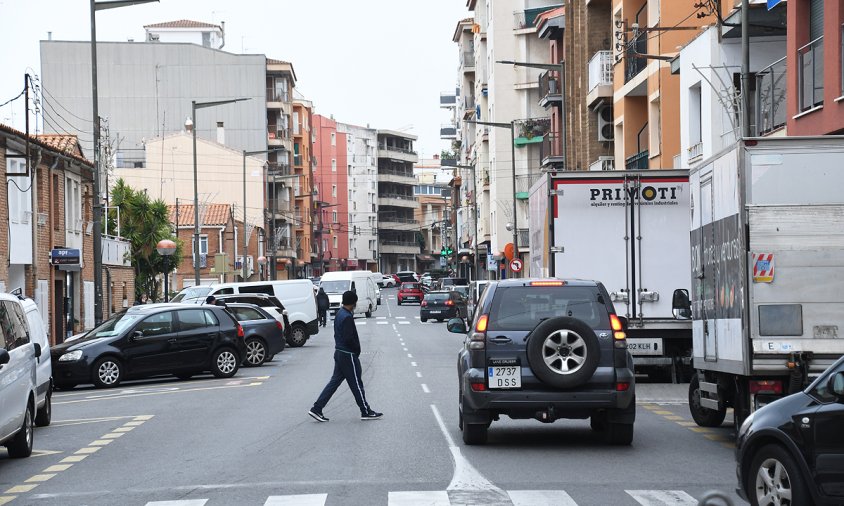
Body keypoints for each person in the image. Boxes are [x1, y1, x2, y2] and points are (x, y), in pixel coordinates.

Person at [309, 291, 382, 422]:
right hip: (348, 354)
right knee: (356, 383)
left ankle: (317, 408)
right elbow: (349, 338)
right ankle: (365, 411)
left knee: (334, 382)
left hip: (339, 352)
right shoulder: (347, 317)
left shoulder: (340, 313)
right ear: (353, 302)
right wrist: (355, 350)